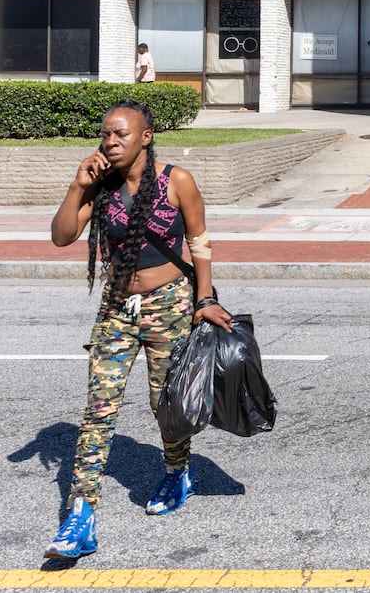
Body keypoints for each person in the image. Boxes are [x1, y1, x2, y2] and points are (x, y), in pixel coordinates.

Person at [45, 101, 232, 559]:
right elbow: (61, 236)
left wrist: (204, 299)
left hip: (169, 303)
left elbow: (200, 241)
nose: (111, 141)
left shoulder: (177, 180)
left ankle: (177, 470)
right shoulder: (99, 185)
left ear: (145, 137)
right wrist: (76, 186)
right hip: (116, 309)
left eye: (121, 134)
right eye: (106, 133)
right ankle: (81, 515)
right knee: (98, 409)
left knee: (163, 404)